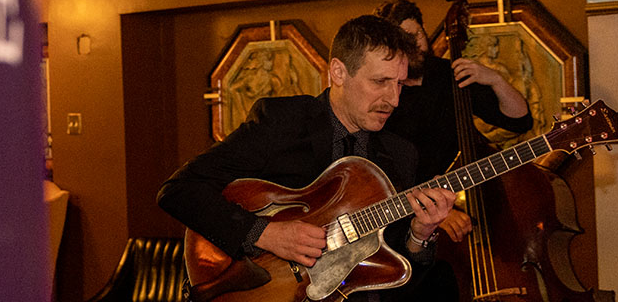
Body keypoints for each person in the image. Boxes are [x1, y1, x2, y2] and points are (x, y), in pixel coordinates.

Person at [157, 15, 455, 301]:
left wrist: (420, 236)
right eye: (380, 82)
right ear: (338, 72)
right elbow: (179, 190)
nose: (394, 99)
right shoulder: (282, 123)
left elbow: (397, 280)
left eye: (400, 83)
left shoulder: (401, 154)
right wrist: (264, 233)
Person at [374, 0, 533, 302]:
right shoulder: (384, 96)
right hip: (417, 220)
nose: (416, 45)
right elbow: (382, 174)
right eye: (405, 40)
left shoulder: (450, 74)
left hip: (480, 206)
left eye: (418, 34)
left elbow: (519, 121)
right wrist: (435, 214)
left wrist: (496, 80)